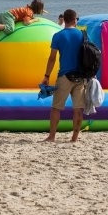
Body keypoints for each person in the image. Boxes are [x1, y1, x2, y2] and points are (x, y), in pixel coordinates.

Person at [41, 9, 86, 143]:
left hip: (64, 75)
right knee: (78, 109)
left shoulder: (58, 36)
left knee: (56, 107)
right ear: (74, 20)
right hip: (80, 75)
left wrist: (46, 75)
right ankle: (74, 138)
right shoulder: (82, 35)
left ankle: (52, 136)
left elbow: (52, 58)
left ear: (64, 20)